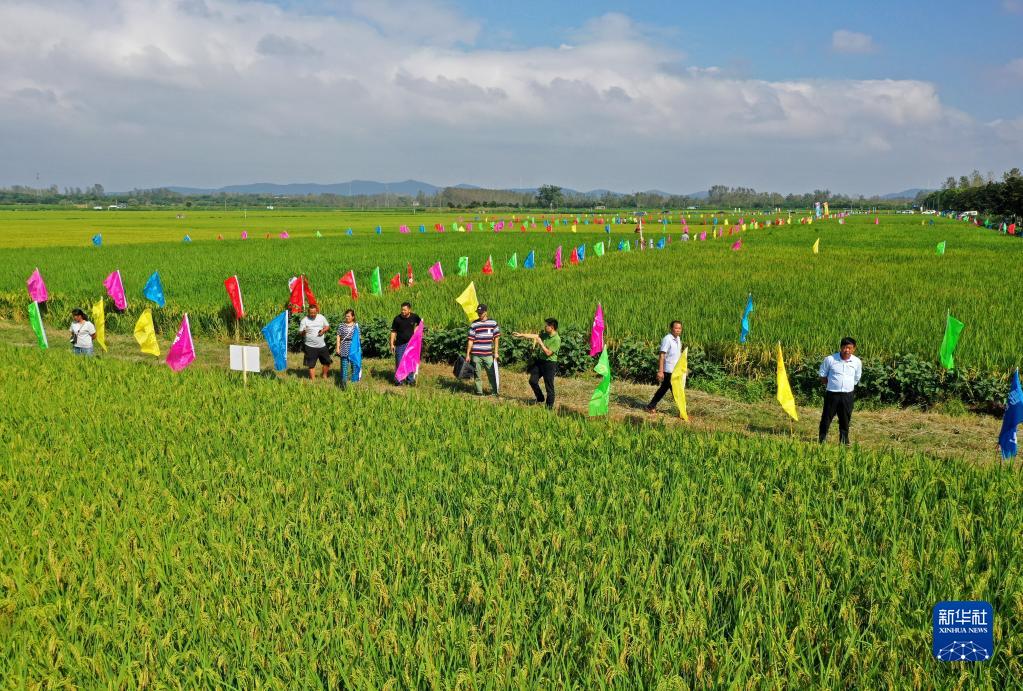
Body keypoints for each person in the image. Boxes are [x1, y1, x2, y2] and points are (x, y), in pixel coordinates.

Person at [818, 337, 862, 445]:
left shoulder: (856, 362)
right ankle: (822, 440)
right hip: (832, 394)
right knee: (826, 418)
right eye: (844, 347)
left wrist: (848, 386)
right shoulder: (830, 359)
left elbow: (856, 378)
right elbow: (822, 375)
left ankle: (844, 441)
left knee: (845, 419)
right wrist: (832, 384)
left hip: (847, 395)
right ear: (840, 347)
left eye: (849, 348)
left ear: (854, 349)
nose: (846, 350)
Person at [514, 318, 561, 409]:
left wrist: (541, 343)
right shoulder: (545, 334)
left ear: (552, 327)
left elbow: (548, 353)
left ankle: (548, 408)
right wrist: (521, 335)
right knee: (532, 381)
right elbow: (535, 336)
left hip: (549, 364)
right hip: (540, 362)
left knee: (549, 387)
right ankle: (540, 398)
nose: (545, 326)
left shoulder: (556, 339)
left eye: (546, 325)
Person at [645, 320, 683, 413]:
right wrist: (660, 371)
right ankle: (682, 411)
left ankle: (651, 406)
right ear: (671, 328)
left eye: (679, 328)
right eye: (676, 328)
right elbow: (662, 355)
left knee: (664, 389)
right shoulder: (667, 339)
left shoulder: (678, 339)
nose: (678, 330)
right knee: (676, 391)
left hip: (676, 370)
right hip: (668, 370)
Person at [466, 304, 501, 396]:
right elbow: (470, 340)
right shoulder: (474, 324)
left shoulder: (493, 323)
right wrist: (468, 354)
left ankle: (494, 392)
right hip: (476, 354)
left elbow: (496, 338)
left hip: (488, 354)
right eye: (478, 313)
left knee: (492, 374)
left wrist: (496, 352)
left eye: (481, 313)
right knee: (477, 374)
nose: (479, 314)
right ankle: (479, 393)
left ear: (486, 312)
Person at [390, 301, 421, 385]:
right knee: (399, 362)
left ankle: (410, 380)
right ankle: (399, 380)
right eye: (402, 310)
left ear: (409, 310)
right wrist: (392, 344)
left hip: (411, 344)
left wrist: (416, 330)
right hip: (400, 344)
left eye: (405, 310)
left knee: (410, 362)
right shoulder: (397, 319)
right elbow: (393, 331)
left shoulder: (414, 317)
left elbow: (420, 323)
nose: (403, 312)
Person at [298, 304, 331, 380]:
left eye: (314, 313)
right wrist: (304, 332)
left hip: (322, 345)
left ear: (317, 311)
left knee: (327, 362)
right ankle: (313, 380)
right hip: (310, 346)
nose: (313, 314)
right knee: (311, 364)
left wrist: (323, 331)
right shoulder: (304, 320)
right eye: (311, 313)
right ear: (308, 312)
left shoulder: (321, 317)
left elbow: (327, 326)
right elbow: (300, 333)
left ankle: (324, 375)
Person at [334, 308, 357, 390]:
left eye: (349, 316)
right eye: (346, 316)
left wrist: (358, 349)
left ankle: (354, 383)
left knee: (354, 365)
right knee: (344, 366)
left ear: (353, 317)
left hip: (353, 348)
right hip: (344, 347)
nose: (347, 317)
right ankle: (343, 384)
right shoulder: (341, 325)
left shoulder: (356, 326)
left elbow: (358, 338)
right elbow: (338, 336)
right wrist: (338, 347)